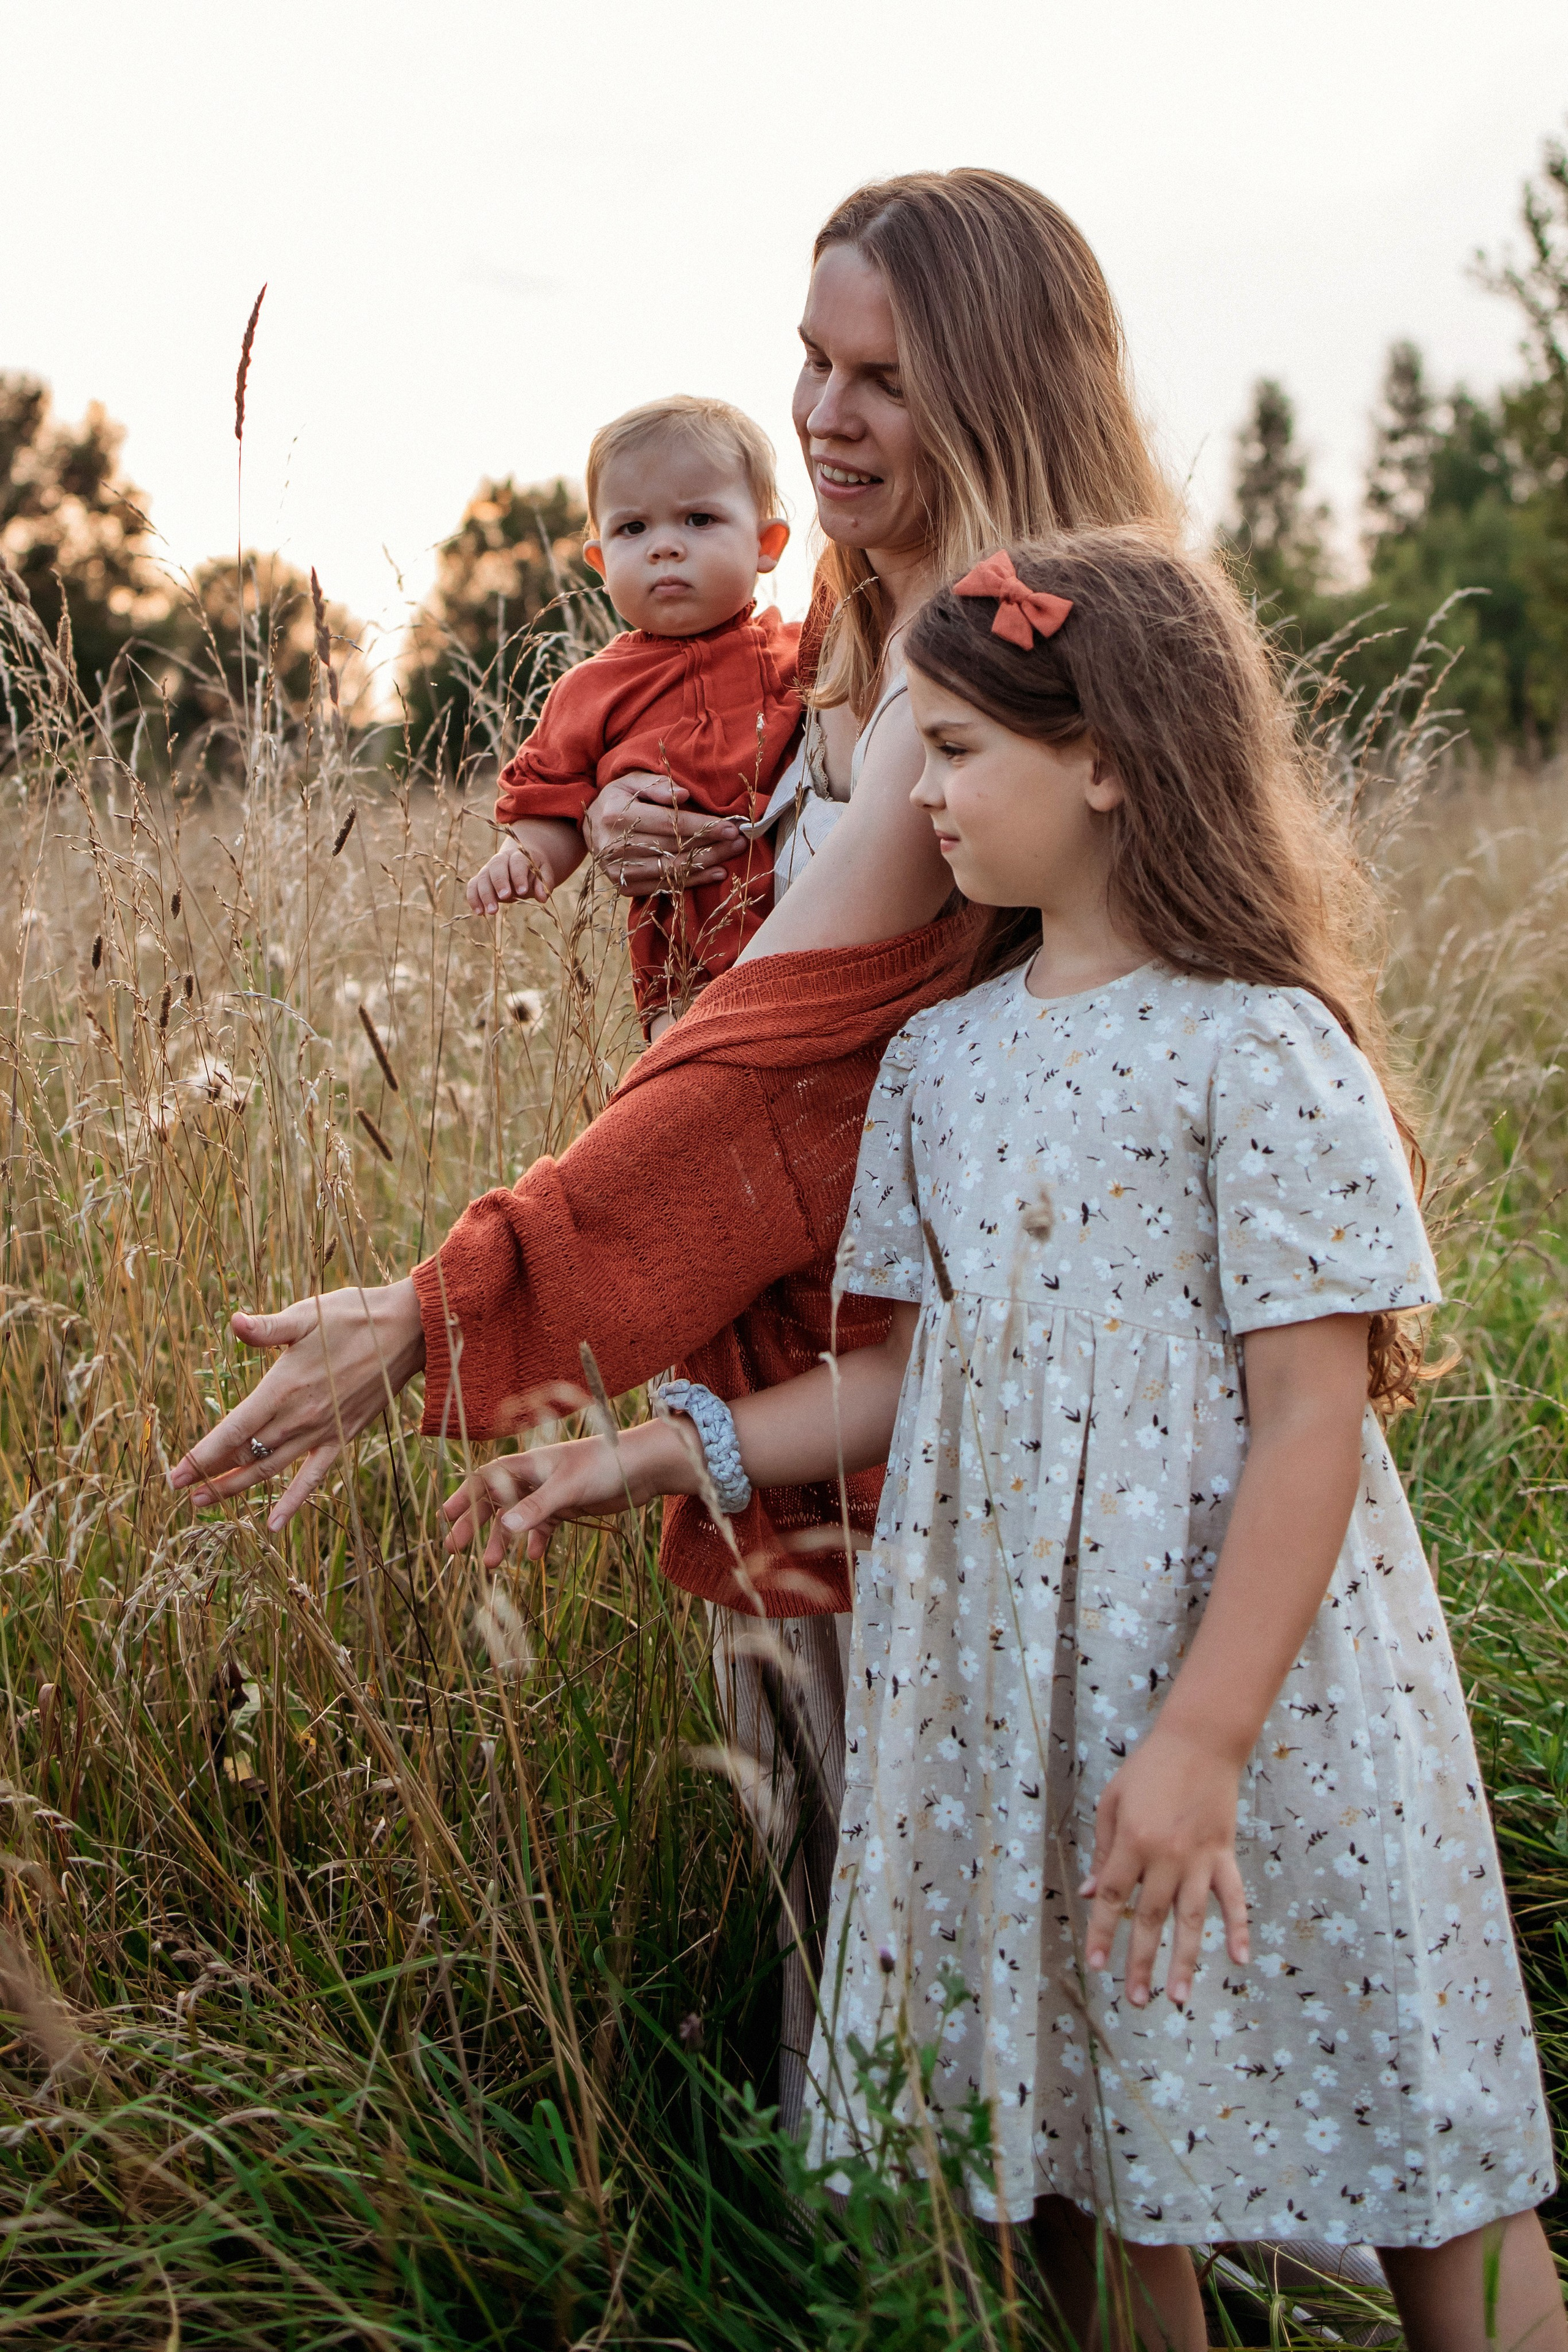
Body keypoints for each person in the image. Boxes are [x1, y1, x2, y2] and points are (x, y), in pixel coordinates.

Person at [442, 532, 1562, 2352]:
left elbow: (1310, 1420)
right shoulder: (942, 1060)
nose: (916, 792)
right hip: (1013, 1695)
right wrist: (672, 1448)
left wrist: (1200, 1737)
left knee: (1413, 2118)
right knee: (1077, 2148)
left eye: (953, 748)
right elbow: (914, 1379)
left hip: (1261, 1690)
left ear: (1106, 751)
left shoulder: (1260, 1047)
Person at [167, 168, 1174, 2128]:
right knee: (855, 1894)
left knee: (941, 1941)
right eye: (808, 357)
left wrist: (449, 1304)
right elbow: (776, 955)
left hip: (925, 1368)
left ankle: (937, 2276)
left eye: (882, 373)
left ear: (999, 383)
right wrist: (649, 847)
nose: (822, 411)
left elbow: (784, 1053)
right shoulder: (846, 631)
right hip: (784, 1326)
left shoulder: (1004, 644)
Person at [464, 396, 800, 1039]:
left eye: (699, 519)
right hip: (684, 966)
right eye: (632, 529)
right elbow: (557, 803)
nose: (664, 548)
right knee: (685, 1093)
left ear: (766, 544)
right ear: (599, 561)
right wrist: (528, 855)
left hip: (804, 935)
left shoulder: (800, 651)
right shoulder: (590, 690)